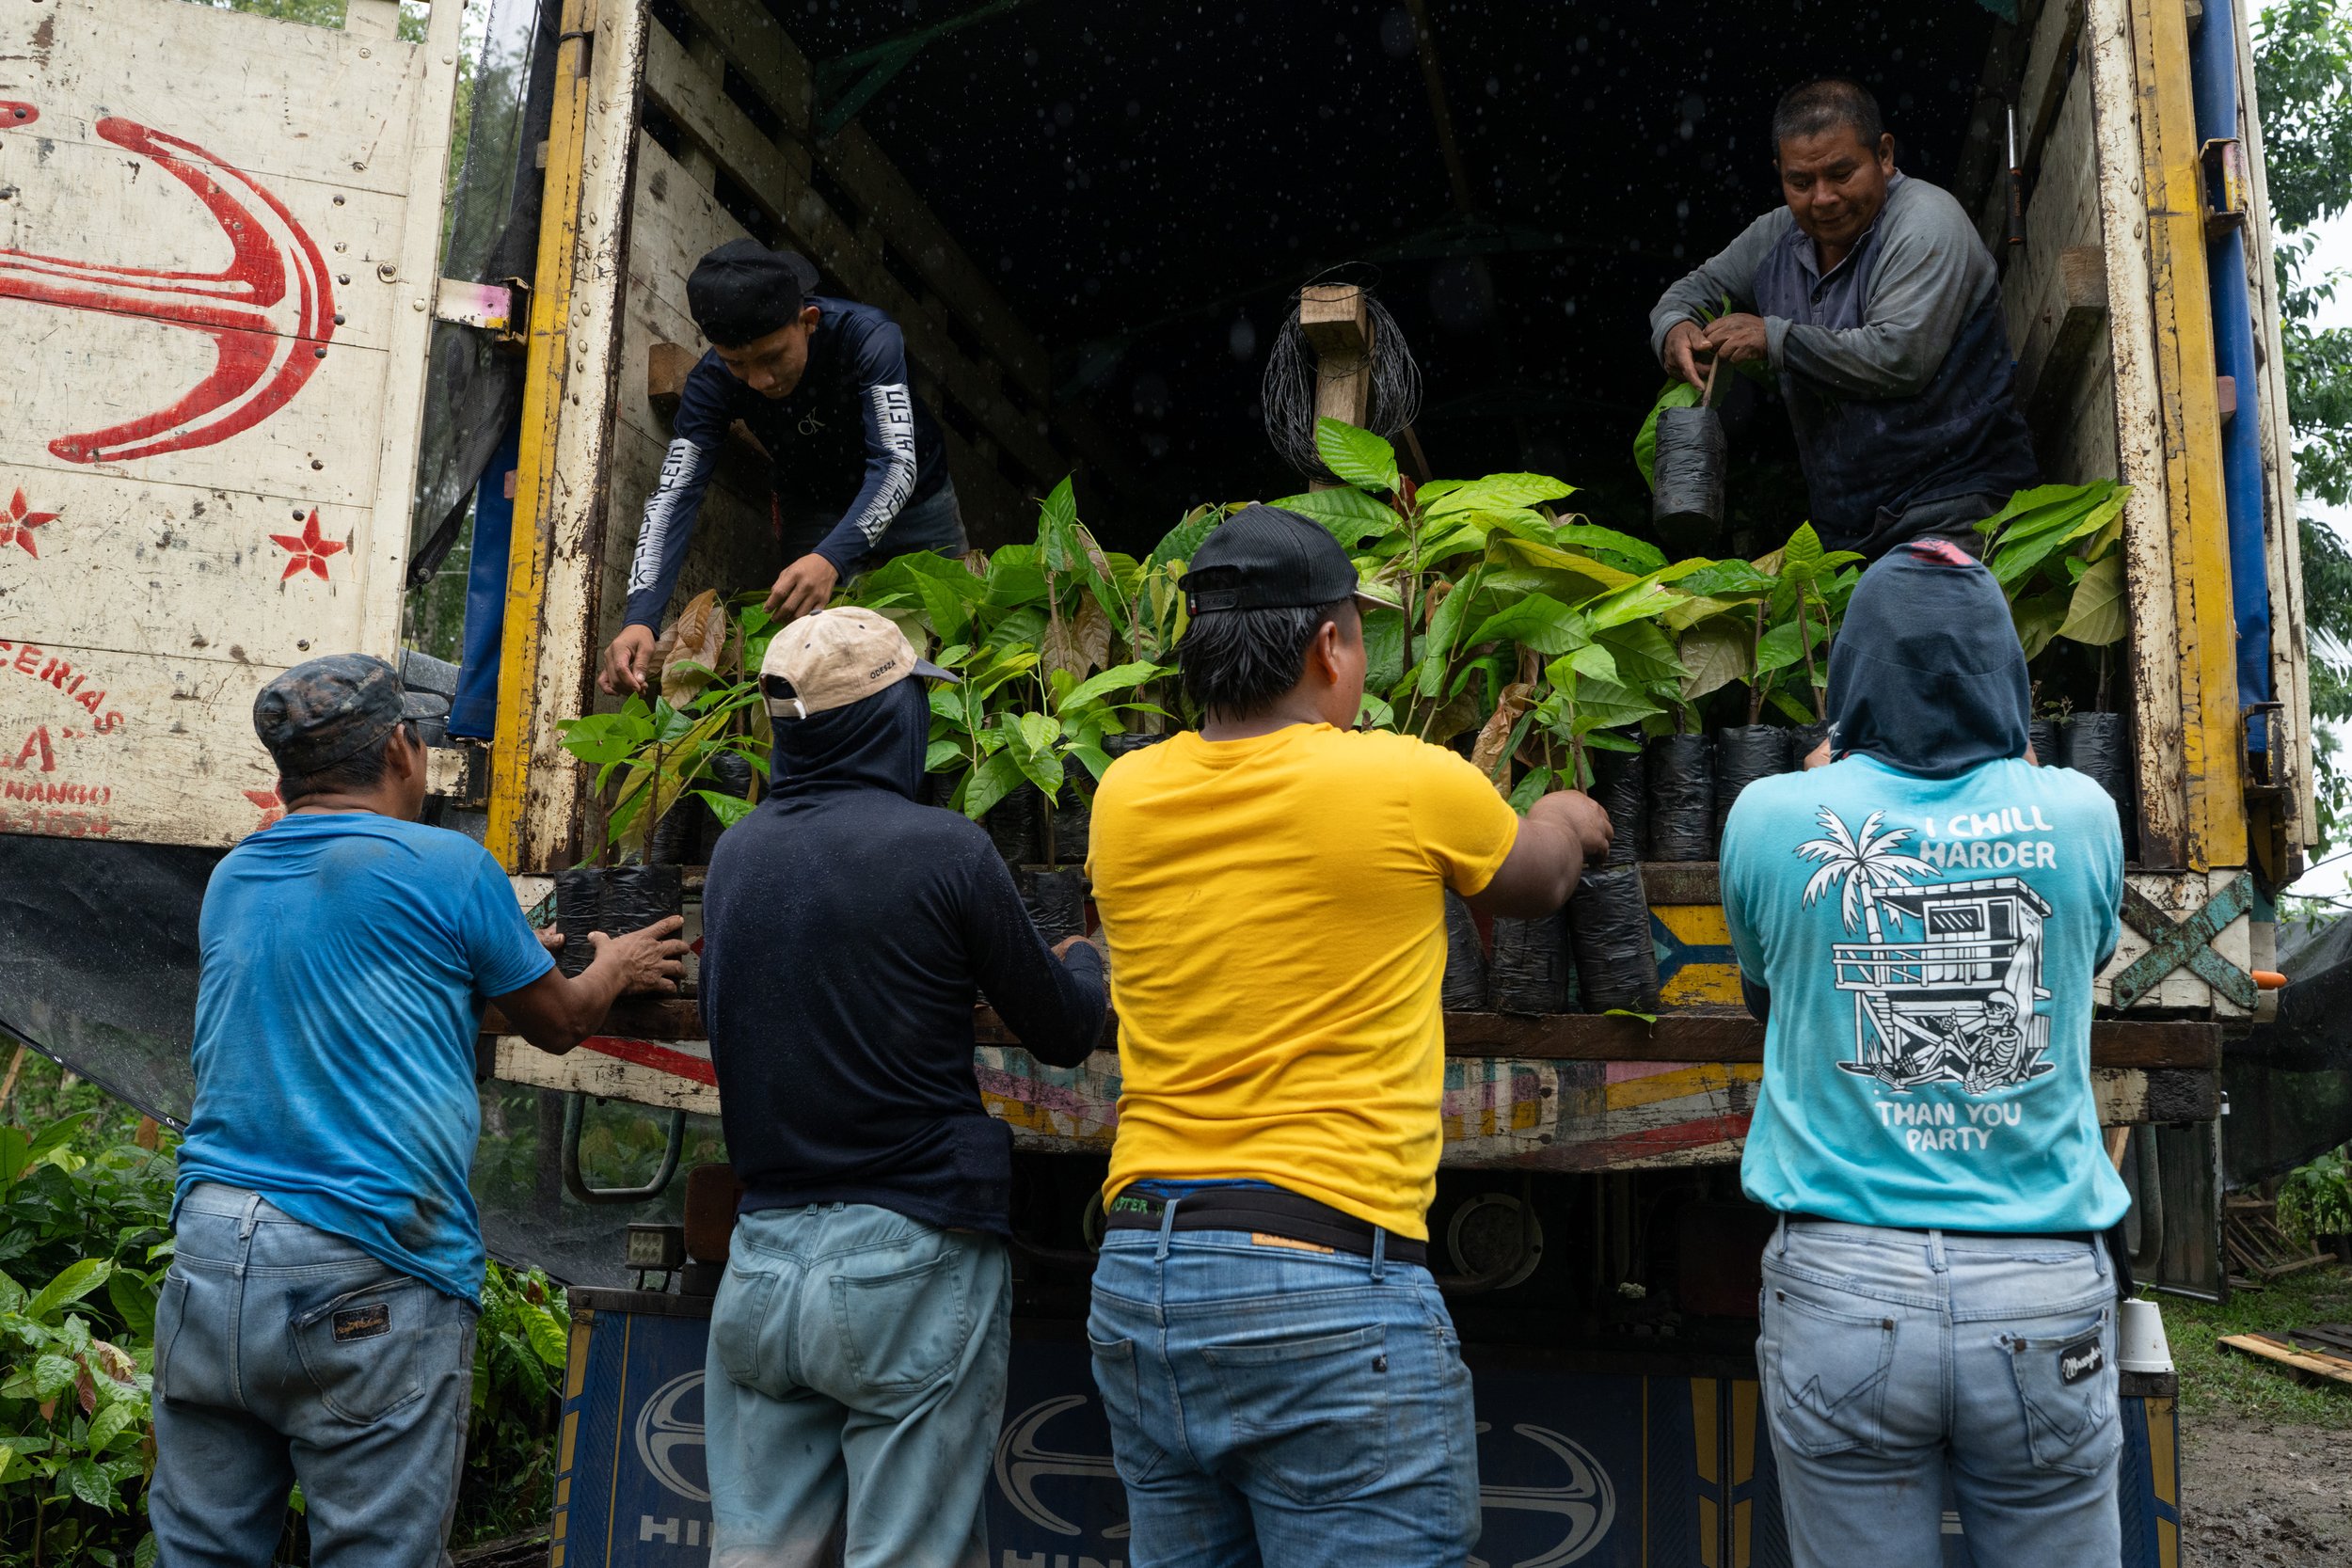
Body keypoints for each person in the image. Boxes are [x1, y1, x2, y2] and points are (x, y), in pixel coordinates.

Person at [1081, 505, 1613, 1564]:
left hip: (1144, 1276)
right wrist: (1568, 812)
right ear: (1331, 646)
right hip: (1318, 1282)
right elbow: (1536, 881)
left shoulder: (1124, 794)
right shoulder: (1402, 778)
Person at [150, 654, 689, 1566]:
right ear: (403, 748)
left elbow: (370, 991)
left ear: (288, 775)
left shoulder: (240, 876)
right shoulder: (448, 866)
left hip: (210, 1260)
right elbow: (557, 1023)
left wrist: (482, 965)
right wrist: (615, 966)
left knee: (201, 1554)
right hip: (364, 1265)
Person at [1719, 544, 2132, 1566]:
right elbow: (2080, 955)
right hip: (2040, 1285)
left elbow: (1764, 996)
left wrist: (1838, 762)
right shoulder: (2081, 815)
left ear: (1851, 676)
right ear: (2007, 679)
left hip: (1841, 1289)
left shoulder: (1770, 818)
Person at [697, 607, 1110, 1568]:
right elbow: (1058, 1027)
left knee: (754, 1555)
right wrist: (1086, 960)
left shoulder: (736, 855)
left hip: (762, 1263)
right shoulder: (946, 848)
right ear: (888, 723)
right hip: (904, 1258)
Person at [1648, 79, 2039, 559]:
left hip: (1957, 510)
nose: (1823, 198)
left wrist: (1774, 339)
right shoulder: (1774, 237)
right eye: (1801, 182)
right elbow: (1689, 292)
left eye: (1841, 173)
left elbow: (1900, 358)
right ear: (1780, 175)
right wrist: (1673, 327)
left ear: (1885, 155)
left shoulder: (1927, 222)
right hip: (1847, 533)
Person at [598, 241, 966, 695]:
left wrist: (831, 557)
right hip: (813, 504)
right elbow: (675, 497)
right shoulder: (712, 383)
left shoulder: (868, 335)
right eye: (737, 363)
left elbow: (894, 464)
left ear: (808, 322)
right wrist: (640, 618)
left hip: (919, 499)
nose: (760, 381)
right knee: (819, 666)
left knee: (958, 641)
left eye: (772, 357)